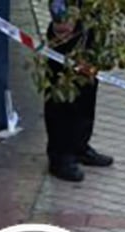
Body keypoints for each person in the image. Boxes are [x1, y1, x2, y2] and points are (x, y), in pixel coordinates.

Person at [44, 0, 114, 182]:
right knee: (63, 89)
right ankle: (60, 155)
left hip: (91, 16)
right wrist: (60, 16)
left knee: (87, 86)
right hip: (69, 18)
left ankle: (79, 145)